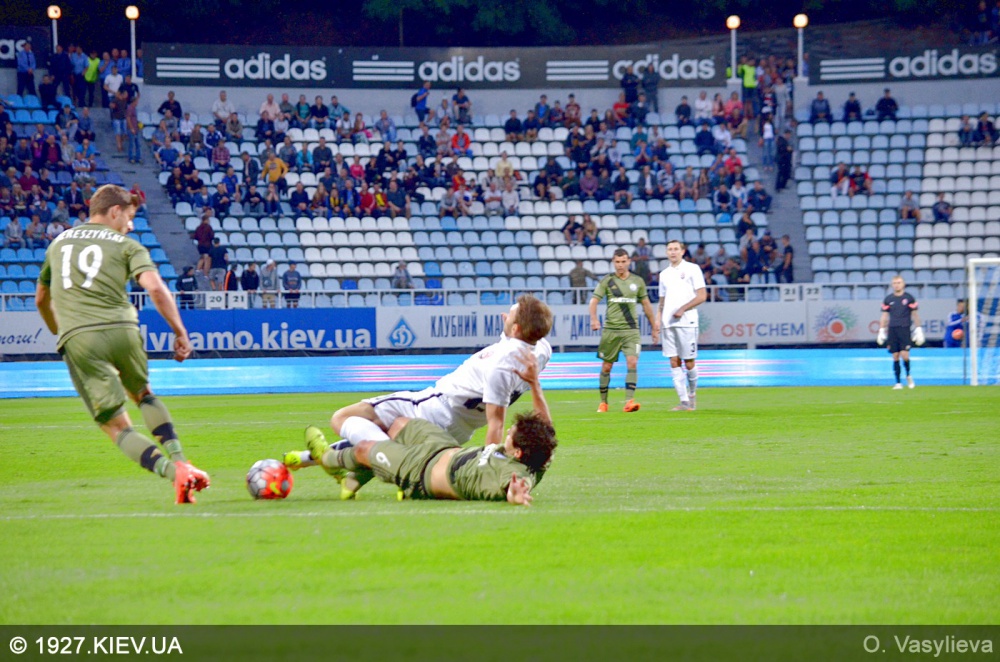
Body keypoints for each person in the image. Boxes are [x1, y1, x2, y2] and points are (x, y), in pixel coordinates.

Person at [34, 185, 209, 504]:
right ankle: (182, 461)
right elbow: (155, 289)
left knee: (115, 426)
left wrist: (62, 332)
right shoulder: (128, 246)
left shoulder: (58, 243)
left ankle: (174, 474)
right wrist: (180, 332)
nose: (130, 226)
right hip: (123, 329)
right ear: (114, 211)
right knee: (143, 394)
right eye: (128, 217)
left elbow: (41, 298)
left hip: (80, 337)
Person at [290, 296, 552, 479]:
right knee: (378, 435)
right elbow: (518, 343)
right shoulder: (541, 350)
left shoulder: (499, 365)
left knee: (343, 418)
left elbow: (496, 424)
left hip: (434, 406)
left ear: (516, 327)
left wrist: (486, 469)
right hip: (460, 430)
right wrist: (510, 330)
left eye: (511, 314)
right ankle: (317, 462)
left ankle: (397, 467)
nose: (506, 313)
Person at [300, 348, 554, 505]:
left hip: (422, 471)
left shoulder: (516, 474)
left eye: (511, 435)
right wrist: (534, 384)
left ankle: (328, 459)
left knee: (364, 449)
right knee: (400, 424)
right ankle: (355, 479)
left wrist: (516, 495)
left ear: (518, 452)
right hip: (443, 448)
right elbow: (546, 429)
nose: (507, 432)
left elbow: (516, 488)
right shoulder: (539, 455)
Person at [589, 248, 660, 413]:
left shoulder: (637, 281)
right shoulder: (607, 281)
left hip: (631, 331)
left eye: (623, 262)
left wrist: (654, 327)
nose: (620, 265)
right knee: (607, 366)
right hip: (611, 330)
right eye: (617, 262)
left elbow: (646, 305)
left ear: (629, 262)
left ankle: (629, 401)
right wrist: (594, 319)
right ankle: (603, 402)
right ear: (613, 262)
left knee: (632, 362)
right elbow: (594, 301)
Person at [657, 240, 708, 411]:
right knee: (673, 360)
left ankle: (692, 394)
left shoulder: (692, 269)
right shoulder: (664, 274)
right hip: (668, 323)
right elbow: (662, 301)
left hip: (687, 322)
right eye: (670, 249)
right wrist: (658, 319)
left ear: (682, 251)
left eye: (676, 249)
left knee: (689, 361)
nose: (672, 252)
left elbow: (702, 296)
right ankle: (684, 401)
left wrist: (683, 309)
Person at [877, 275, 923, 390]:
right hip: (892, 329)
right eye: (895, 283)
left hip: (904, 329)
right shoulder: (888, 299)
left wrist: (918, 329)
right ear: (892, 285)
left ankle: (908, 375)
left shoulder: (909, 298)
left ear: (903, 284)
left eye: (899, 282)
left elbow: (915, 314)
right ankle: (898, 382)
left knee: (905, 355)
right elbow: (884, 316)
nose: (897, 285)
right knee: (895, 356)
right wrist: (881, 330)